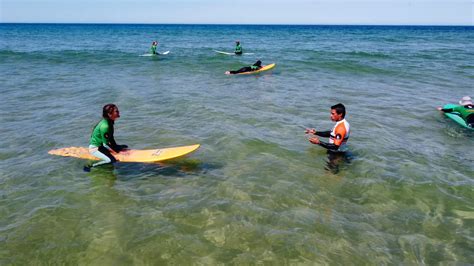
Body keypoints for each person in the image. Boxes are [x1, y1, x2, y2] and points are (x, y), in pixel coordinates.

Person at [83, 104, 128, 172]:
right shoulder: (105, 126)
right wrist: (116, 153)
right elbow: (105, 144)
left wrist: (116, 147)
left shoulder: (109, 122)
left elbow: (111, 137)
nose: (118, 112)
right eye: (116, 111)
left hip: (101, 146)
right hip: (95, 148)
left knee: (124, 147)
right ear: (109, 114)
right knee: (111, 160)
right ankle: (90, 166)